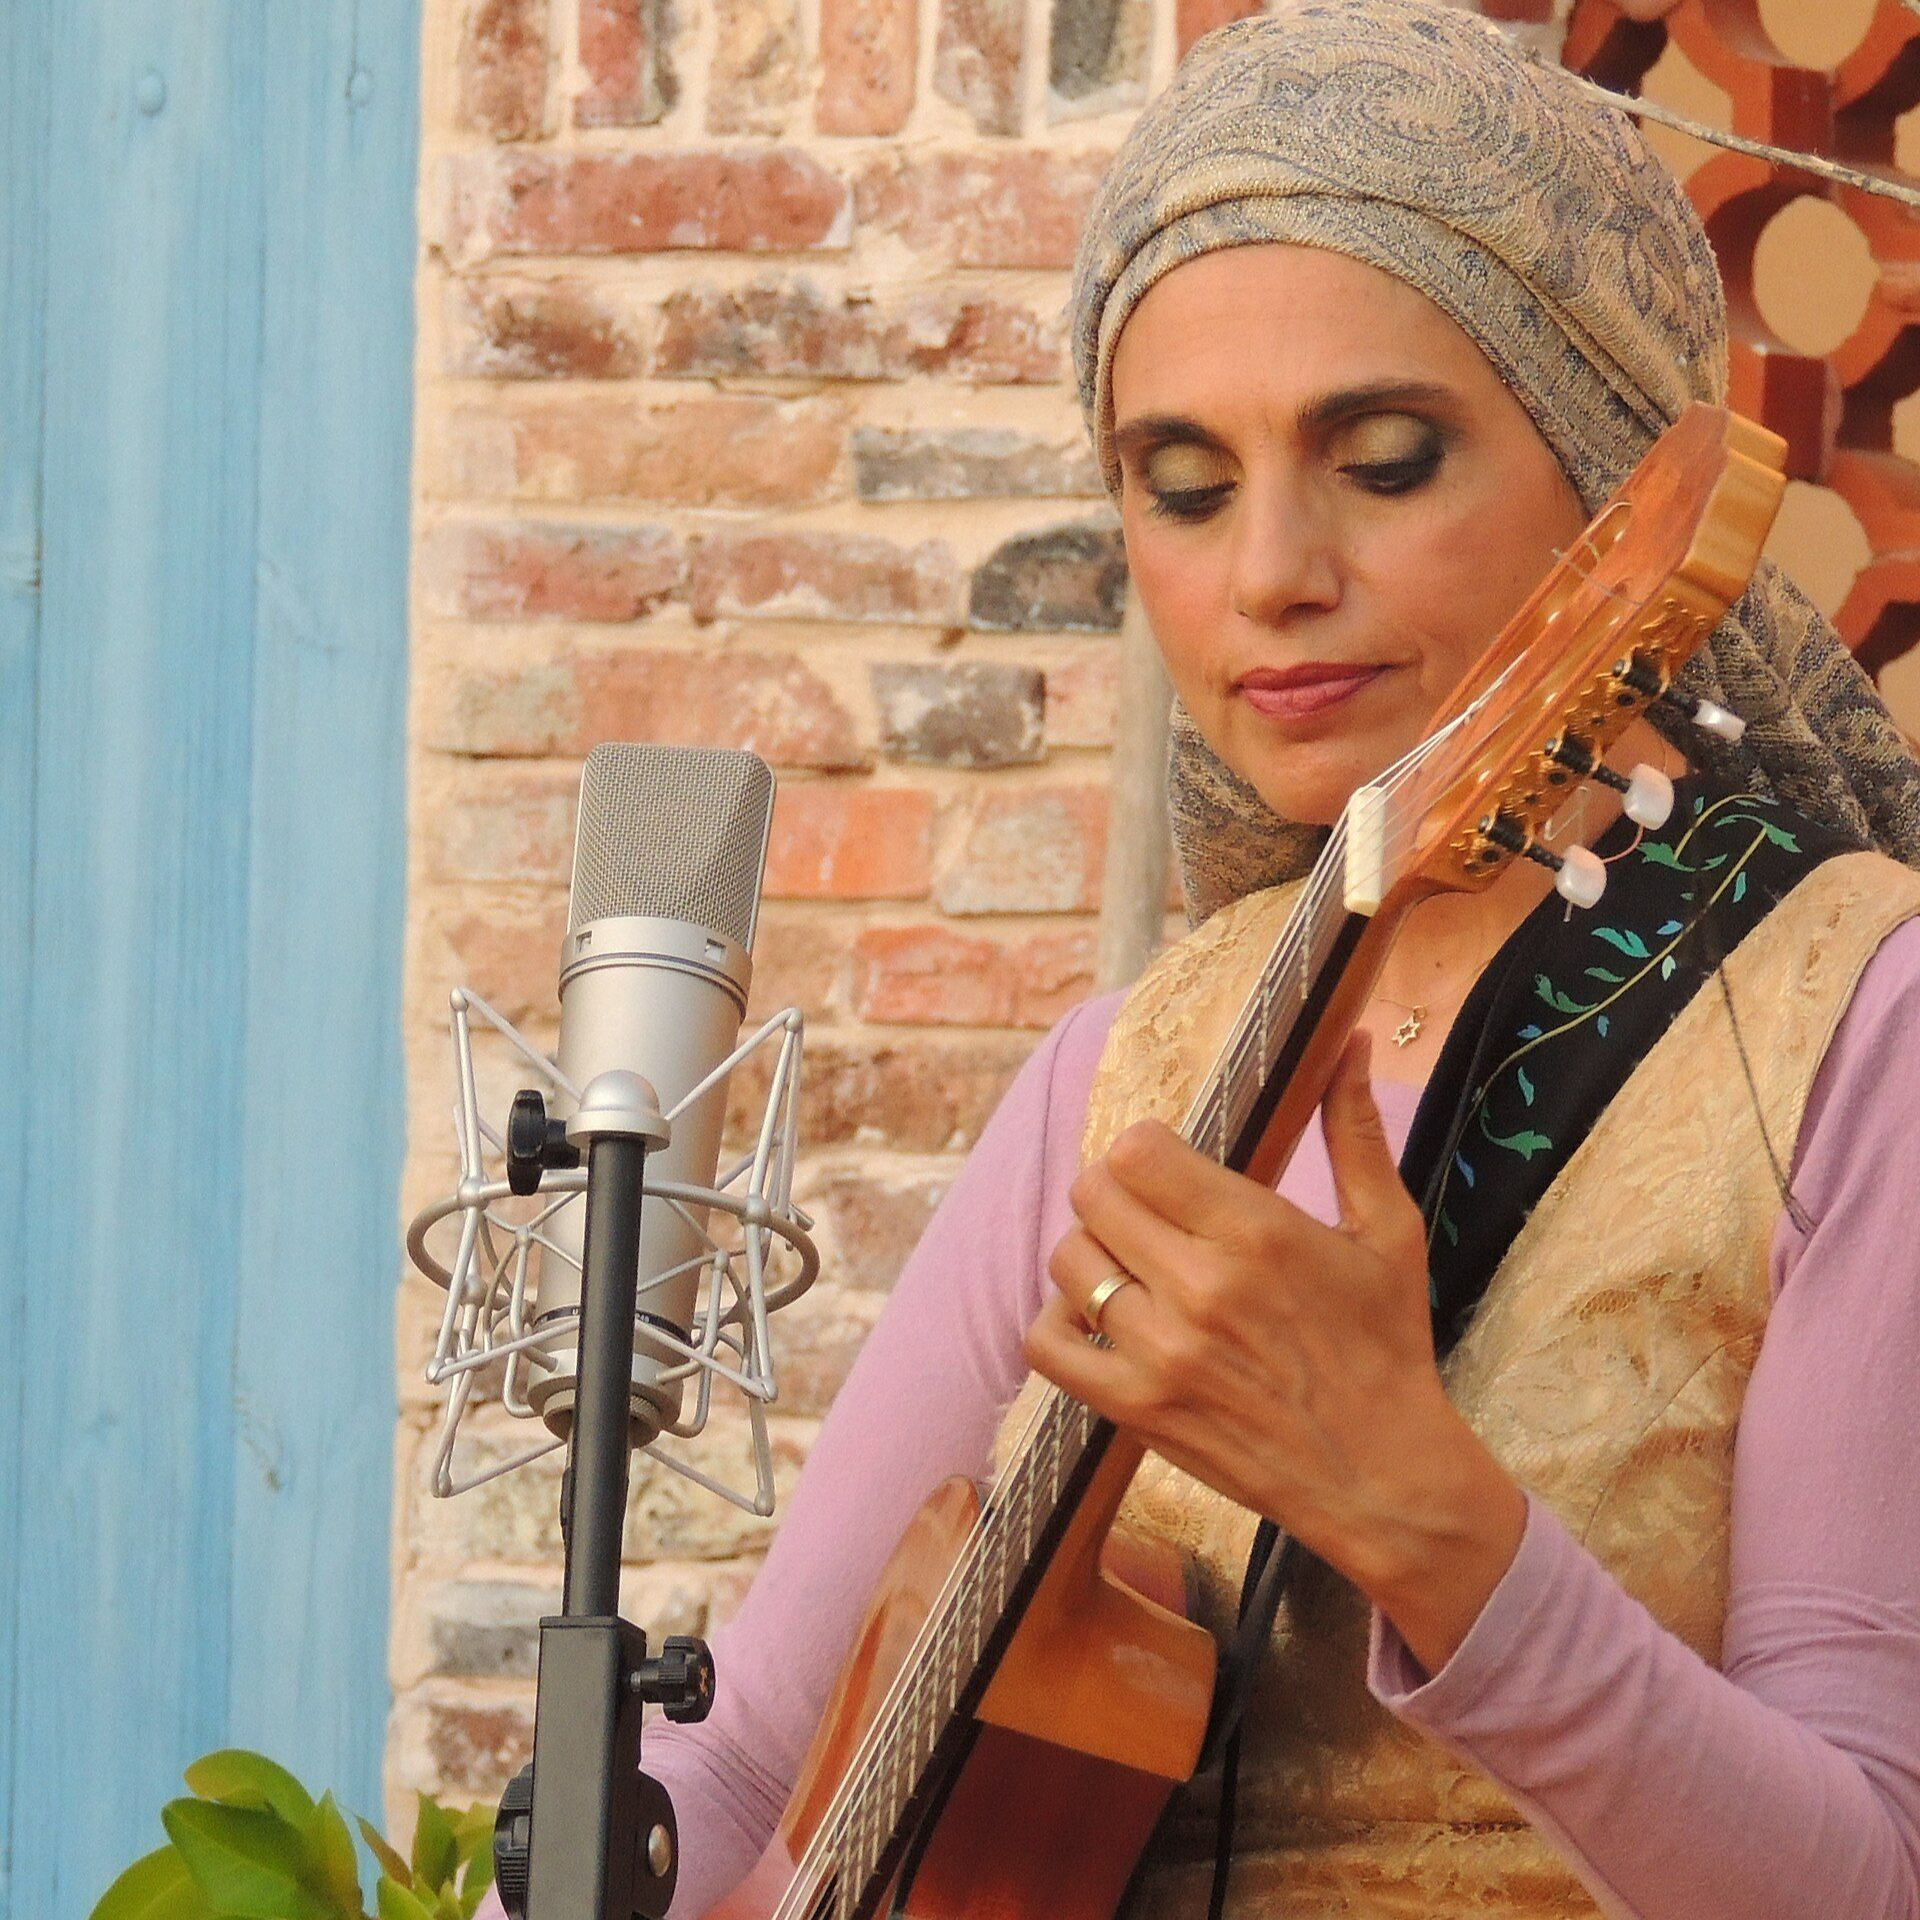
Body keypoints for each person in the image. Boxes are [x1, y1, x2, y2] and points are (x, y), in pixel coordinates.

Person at [482, 4, 1920, 1913]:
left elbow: (1871, 1875)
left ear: (1603, 478)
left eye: (1385, 459)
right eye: (1181, 486)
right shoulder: (1132, 1066)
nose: (1268, 577)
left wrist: (1429, 1517)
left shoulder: (1854, 1022)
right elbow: (746, 1755)